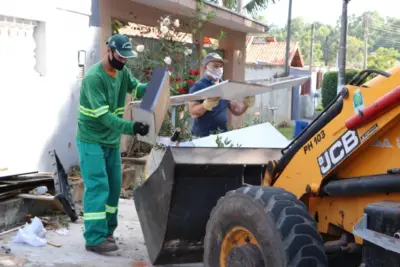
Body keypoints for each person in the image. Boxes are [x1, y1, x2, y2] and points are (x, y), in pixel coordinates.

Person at [76, 34, 150, 253]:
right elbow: (105, 117)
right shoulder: (94, 78)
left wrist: (158, 84)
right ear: (109, 51)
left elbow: (137, 89)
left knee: (114, 187)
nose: (124, 61)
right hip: (91, 140)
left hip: (110, 141)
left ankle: (107, 231)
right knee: (98, 186)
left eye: (127, 58)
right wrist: (132, 128)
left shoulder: (122, 72)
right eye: (120, 56)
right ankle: (94, 238)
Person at [188, 53, 255, 138]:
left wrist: (246, 103)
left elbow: (236, 111)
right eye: (215, 66)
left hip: (222, 135)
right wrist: (205, 105)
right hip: (202, 136)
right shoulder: (198, 86)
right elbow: (193, 112)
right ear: (205, 68)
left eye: (221, 66)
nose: (219, 69)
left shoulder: (225, 86)